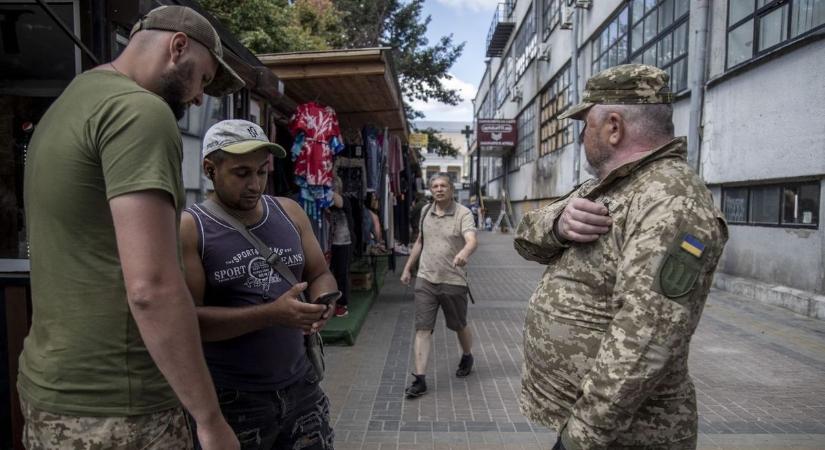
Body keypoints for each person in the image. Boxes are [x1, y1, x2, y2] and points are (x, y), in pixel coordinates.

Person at [19, 5, 244, 449]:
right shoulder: (139, 112)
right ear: (178, 47)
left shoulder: (71, 102)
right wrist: (209, 419)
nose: (200, 97)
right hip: (119, 403)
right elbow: (152, 287)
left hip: (50, 388)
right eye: (202, 78)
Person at [514, 64, 728, 450]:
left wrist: (583, 434)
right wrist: (558, 224)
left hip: (625, 435)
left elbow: (648, 333)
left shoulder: (670, 198)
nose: (581, 136)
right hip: (593, 424)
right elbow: (525, 236)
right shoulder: (611, 185)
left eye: (585, 123)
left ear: (613, 126)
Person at [181, 119, 337, 449]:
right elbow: (189, 322)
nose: (255, 184)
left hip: (302, 387)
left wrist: (324, 301)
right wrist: (271, 315)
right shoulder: (192, 228)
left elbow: (320, 272)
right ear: (211, 169)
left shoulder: (290, 212)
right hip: (233, 399)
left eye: (262, 172)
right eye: (241, 173)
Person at [400, 174, 478, 398]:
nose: (439, 189)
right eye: (435, 186)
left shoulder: (463, 213)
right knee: (423, 328)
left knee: (458, 325)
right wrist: (408, 268)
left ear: (451, 189)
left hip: (453, 280)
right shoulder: (425, 211)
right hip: (426, 279)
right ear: (430, 190)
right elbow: (420, 241)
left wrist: (464, 252)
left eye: (444, 185)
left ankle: (467, 355)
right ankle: (420, 379)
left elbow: (471, 239)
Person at [331, 176, 355, 317]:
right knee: (329, 272)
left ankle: (342, 304)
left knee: (341, 273)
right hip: (328, 242)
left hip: (343, 242)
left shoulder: (344, 200)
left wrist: (321, 187)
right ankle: (330, 302)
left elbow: (338, 202)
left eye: (334, 187)